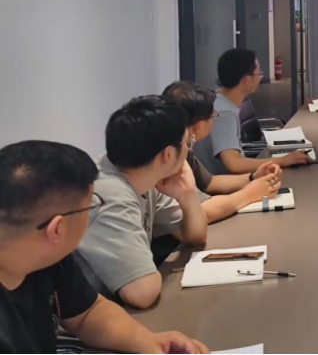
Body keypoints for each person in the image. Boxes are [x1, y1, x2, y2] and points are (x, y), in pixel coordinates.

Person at [0, 141, 208, 353]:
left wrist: (148, 342)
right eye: (90, 206)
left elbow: (87, 313)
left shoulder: (47, 257)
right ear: (57, 230)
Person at [77, 96, 208, 309]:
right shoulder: (109, 194)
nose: (188, 150)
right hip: (81, 323)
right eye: (187, 144)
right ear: (168, 154)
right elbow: (142, 293)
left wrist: (188, 194)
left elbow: (195, 235)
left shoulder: (141, 174)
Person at [163, 80, 283, 223]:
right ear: (198, 127)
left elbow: (209, 182)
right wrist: (249, 194)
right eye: (213, 117)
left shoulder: (181, 146)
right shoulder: (171, 158)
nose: (214, 120)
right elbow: (202, 211)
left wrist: (253, 177)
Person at [194, 48, 312, 175]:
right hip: (231, 181)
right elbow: (234, 165)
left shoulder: (218, 99)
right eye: (258, 74)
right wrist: (283, 160)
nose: (260, 78)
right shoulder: (224, 114)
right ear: (246, 80)